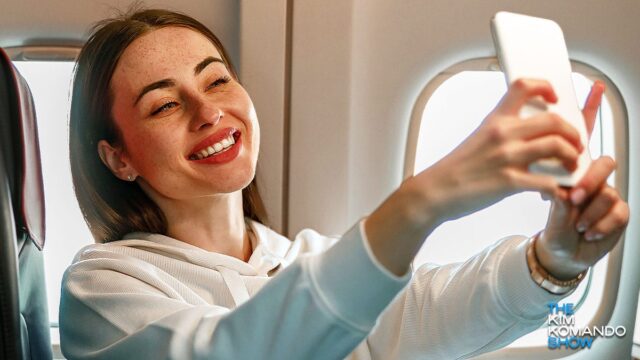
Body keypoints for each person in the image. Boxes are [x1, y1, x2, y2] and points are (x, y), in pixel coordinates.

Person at [59, 8, 629, 360]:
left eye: (218, 80)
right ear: (119, 160)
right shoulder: (103, 289)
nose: (209, 112)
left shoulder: (305, 258)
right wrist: (425, 200)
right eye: (163, 105)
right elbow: (238, 350)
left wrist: (551, 263)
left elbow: (428, 309)